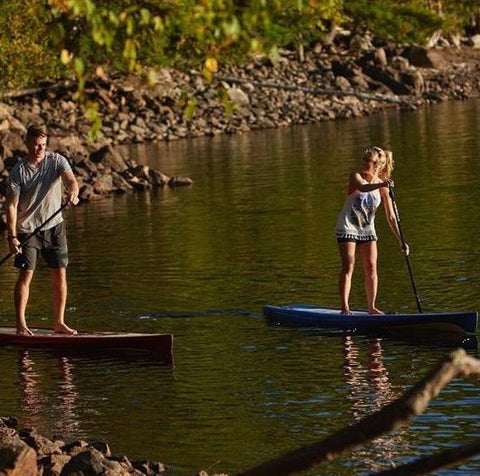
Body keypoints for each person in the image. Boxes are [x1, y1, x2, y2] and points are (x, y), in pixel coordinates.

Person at [6, 124, 79, 335]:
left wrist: (73, 192)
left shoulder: (56, 161)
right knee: (26, 275)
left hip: (54, 227)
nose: (40, 149)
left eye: (43, 145)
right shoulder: (18, 171)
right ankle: (20, 324)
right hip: (27, 231)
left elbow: (71, 180)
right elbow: (11, 206)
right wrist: (12, 237)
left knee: (60, 274)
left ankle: (59, 322)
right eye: (36, 145)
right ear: (27, 143)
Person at [335, 146, 409, 315]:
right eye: (365, 160)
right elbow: (363, 188)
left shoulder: (383, 188)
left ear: (379, 165)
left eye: (370, 161)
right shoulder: (356, 177)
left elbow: (391, 217)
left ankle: (371, 308)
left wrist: (401, 240)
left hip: (367, 230)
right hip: (348, 227)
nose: (365, 163)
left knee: (371, 268)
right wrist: (384, 183)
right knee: (349, 266)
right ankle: (345, 307)